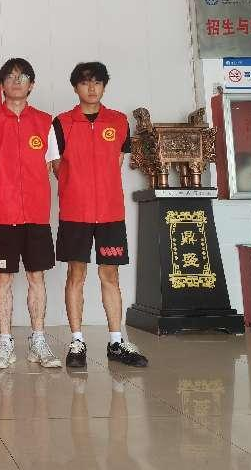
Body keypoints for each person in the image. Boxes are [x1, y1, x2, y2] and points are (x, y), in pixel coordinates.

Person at [52, 61, 148, 368]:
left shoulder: (118, 121)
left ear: (104, 86)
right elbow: (57, 166)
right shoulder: (62, 123)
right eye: (85, 82)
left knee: (110, 275)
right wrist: (77, 187)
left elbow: (116, 161)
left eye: (97, 82)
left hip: (109, 211)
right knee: (76, 275)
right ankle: (77, 341)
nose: (91, 88)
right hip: (75, 212)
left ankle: (116, 342)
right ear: (75, 87)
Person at [0, 58, 62, 370]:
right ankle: (5, 342)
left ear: (31, 84)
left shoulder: (44, 122)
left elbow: (50, 165)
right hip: (2, 213)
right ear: (1, 84)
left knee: (36, 276)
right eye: (10, 76)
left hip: (35, 214)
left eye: (23, 76)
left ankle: (38, 340)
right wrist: (2, 193)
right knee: (4, 277)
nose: (16, 81)